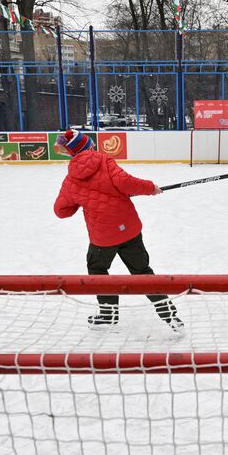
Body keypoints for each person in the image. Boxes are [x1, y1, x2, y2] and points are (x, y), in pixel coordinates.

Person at [53, 127, 182, 330]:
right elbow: (126, 182)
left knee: (98, 270)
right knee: (142, 272)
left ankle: (108, 315)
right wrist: (151, 188)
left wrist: (80, 200)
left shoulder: (71, 180)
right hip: (129, 230)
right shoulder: (105, 161)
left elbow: (61, 210)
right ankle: (170, 316)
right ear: (88, 146)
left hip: (102, 238)